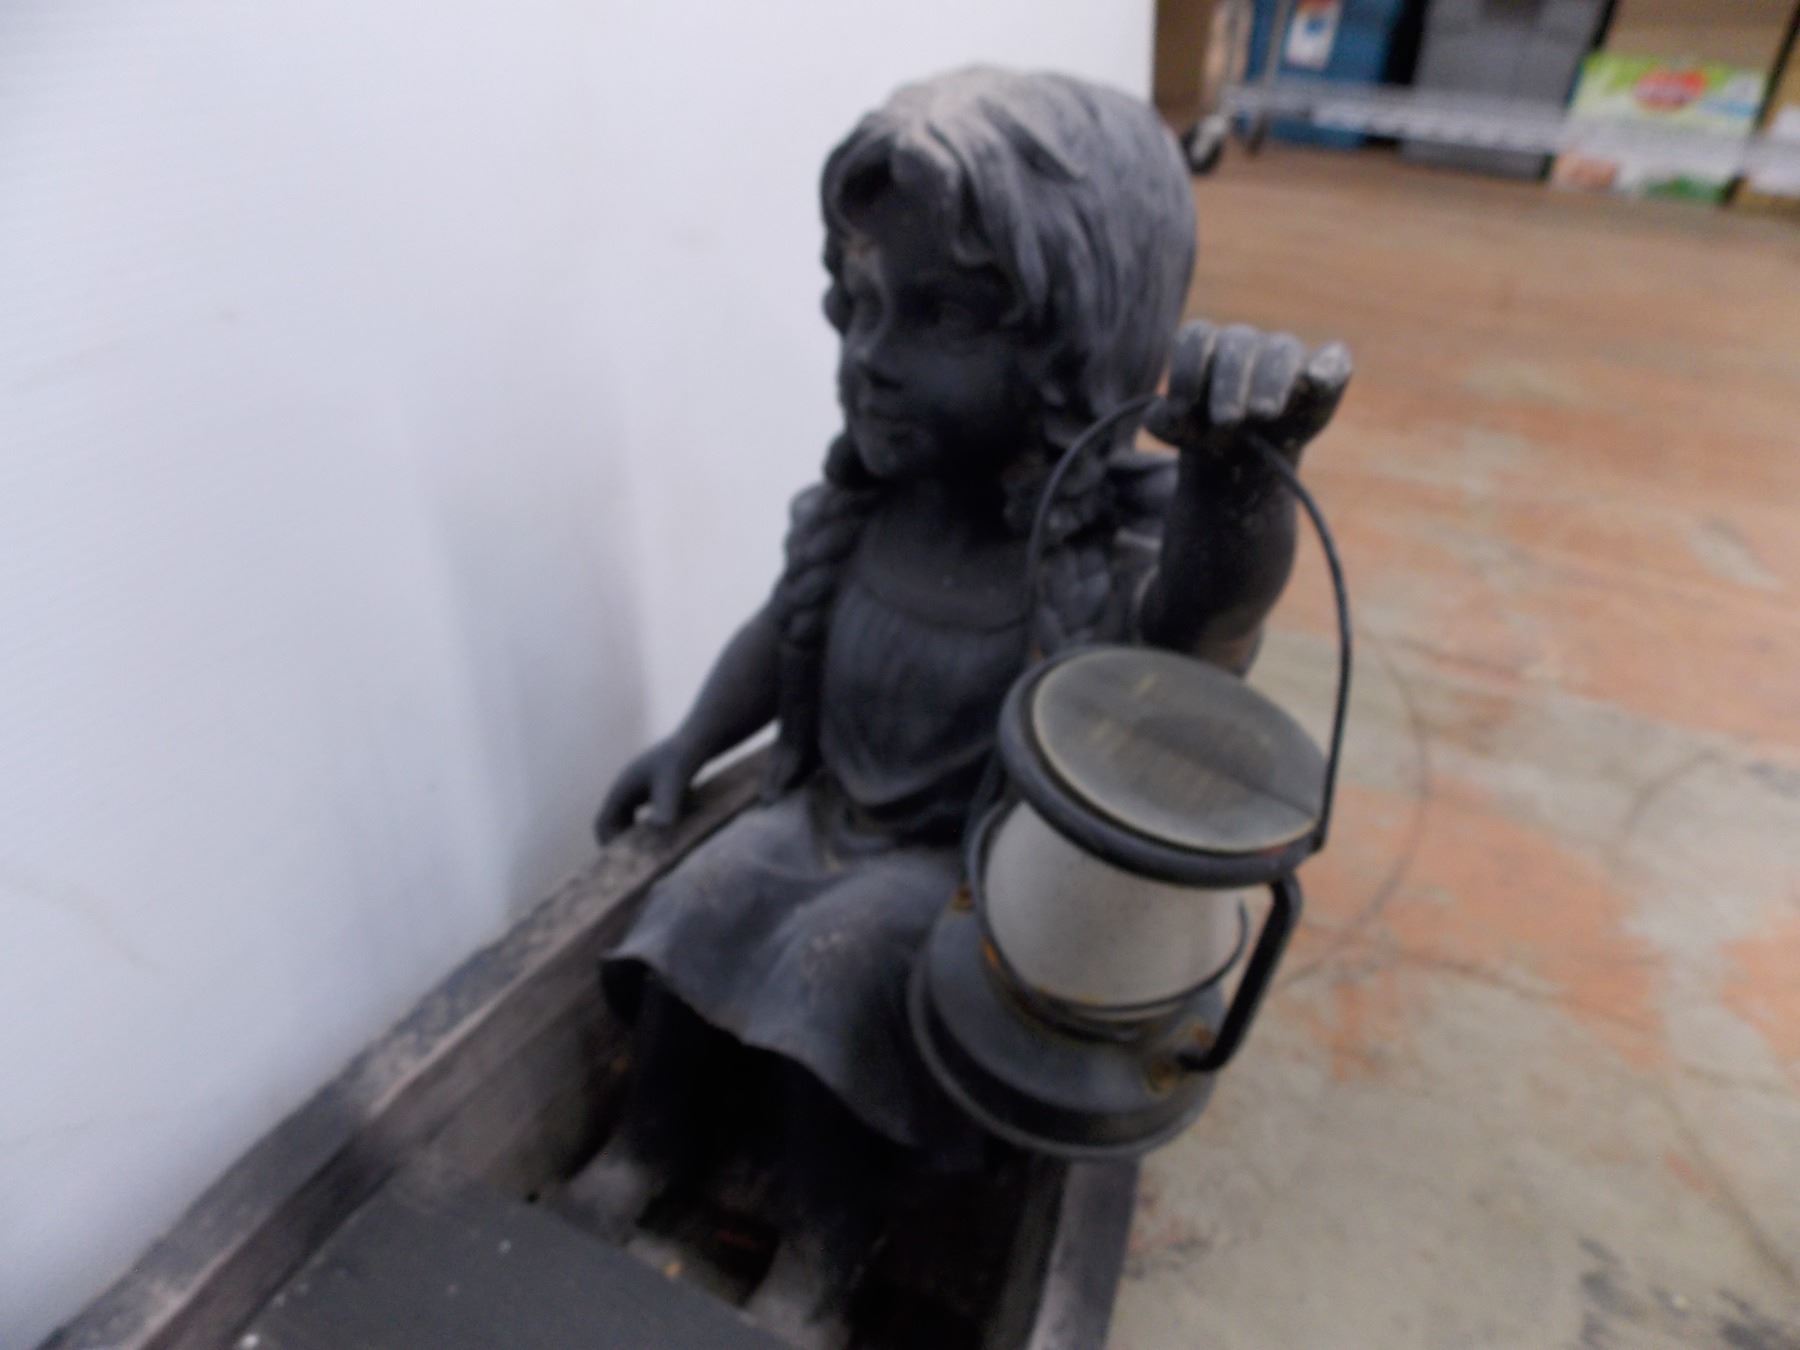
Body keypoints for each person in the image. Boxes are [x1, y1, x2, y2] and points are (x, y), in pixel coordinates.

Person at [566, 66, 1351, 1346]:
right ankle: (646, 1148)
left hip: (964, 876)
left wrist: (1242, 479)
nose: (872, 360)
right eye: (862, 308)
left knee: (839, 971)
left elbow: (1201, 640)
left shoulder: (1088, 563)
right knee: (696, 906)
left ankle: (822, 1254)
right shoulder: (872, 509)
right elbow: (779, 635)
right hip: (820, 818)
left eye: (938, 316)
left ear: (1076, 351)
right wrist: (691, 740)